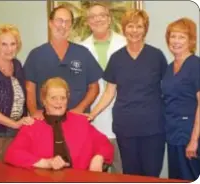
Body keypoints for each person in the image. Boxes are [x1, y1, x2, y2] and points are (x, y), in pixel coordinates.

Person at [89, 9, 168, 177]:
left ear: (145, 29)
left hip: (153, 127)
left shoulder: (156, 56)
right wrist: (92, 114)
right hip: (126, 127)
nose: (134, 30)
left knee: (151, 174)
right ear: (124, 28)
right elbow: (109, 92)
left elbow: (168, 88)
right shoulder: (117, 58)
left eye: (139, 26)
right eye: (130, 26)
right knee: (131, 175)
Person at [4, 77, 114, 171]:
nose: (59, 102)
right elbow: (12, 154)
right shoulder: (32, 125)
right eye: (53, 98)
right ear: (44, 100)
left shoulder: (81, 122)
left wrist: (99, 157)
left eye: (63, 98)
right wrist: (46, 163)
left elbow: (105, 145)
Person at [24, 6, 103, 119]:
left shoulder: (83, 53)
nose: (63, 25)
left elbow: (94, 87)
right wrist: (33, 112)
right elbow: (29, 88)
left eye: (67, 21)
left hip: (76, 120)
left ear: (71, 25)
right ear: (50, 23)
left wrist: (79, 109)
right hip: (45, 121)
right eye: (59, 20)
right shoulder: (36, 55)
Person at [81, 2, 125, 174]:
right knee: (95, 173)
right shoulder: (81, 48)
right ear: (87, 22)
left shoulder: (125, 43)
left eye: (102, 15)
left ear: (109, 18)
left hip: (122, 116)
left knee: (122, 172)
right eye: (93, 16)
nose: (98, 19)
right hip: (93, 120)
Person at [0, 24, 33, 161]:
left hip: (15, 135)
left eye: (13, 44)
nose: (9, 49)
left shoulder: (17, 65)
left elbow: (22, 95)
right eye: (4, 44)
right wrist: (14, 123)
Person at [162, 18, 200, 180]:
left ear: (191, 40)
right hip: (173, 134)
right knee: (177, 177)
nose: (176, 41)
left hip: (190, 134)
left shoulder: (195, 65)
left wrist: (193, 140)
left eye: (182, 37)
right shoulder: (170, 67)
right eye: (173, 36)